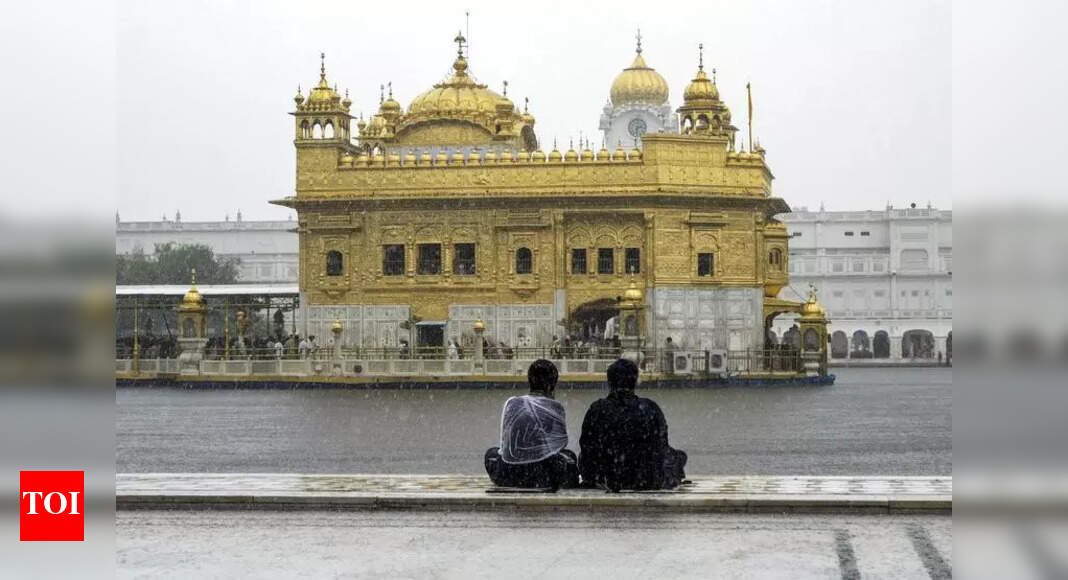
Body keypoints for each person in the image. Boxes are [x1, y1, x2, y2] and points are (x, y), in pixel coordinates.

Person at [579, 358, 687, 491]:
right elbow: (661, 445)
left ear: (609, 382)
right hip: (645, 477)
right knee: (679, 456)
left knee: (580, 457)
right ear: (635, 381)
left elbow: (587, 447)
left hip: (608, 476)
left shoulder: (597, 409)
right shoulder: (650, 408)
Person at [484, 360, 579, 490]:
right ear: (553, 384)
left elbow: (504, 445)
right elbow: (561, 444)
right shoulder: (555, 407)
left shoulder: (512, 403)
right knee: (570, 455)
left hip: (508, 473)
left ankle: (514, 479)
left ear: (530, 380)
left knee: (491, 453)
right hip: (542, 474)